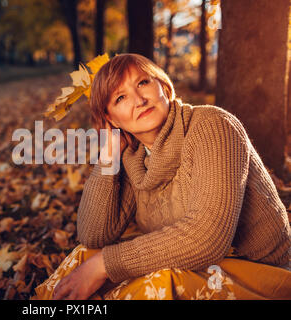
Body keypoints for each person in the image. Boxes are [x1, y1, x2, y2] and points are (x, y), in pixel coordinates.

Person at [31, 53, 291, 300]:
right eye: (120, 98)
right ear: (111, 119)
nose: (139, 100)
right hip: (198, 267)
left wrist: (104, 265)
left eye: (143, 83)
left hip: (261, 273)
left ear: (164, 88)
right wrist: (108, 157)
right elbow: (93, 235)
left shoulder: (213, 125)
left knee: (154, 283)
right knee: (84, 257)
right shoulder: (135, 159)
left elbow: (208, 238)